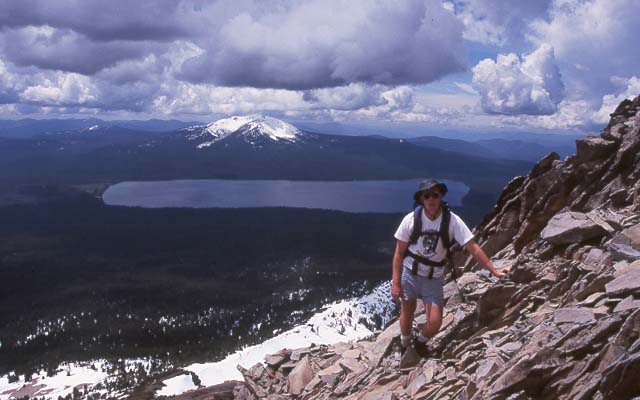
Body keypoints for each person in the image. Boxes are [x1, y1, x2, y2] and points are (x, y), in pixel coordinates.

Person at [391, 179, 510, 358]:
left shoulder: (452, 221)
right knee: (407, 312)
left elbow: (472, 246)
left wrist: (493, 270)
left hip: (433, 277)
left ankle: (420, 342)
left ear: (441, 197)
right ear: (421, 199)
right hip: (411, 273)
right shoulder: (411, 220)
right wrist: (396, 282)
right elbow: (399, 253)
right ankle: (405, 343)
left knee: (435, 321)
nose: (431, 199)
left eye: (435, 195)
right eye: (427, 195)